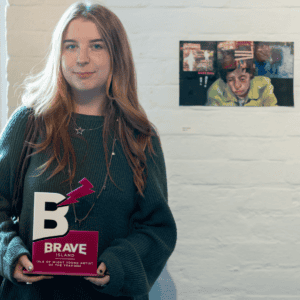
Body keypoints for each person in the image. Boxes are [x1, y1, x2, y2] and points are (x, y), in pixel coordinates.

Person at [0, 1, 177, 299]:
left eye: (96, 46)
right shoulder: (28, 123)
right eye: (70, 46)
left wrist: (118, 264)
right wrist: (10, 254)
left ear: (116, 54)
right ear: (59, 53)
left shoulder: (139, 136)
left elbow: (157, 229)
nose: (82, 59)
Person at [206, 50, 277, 106]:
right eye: (230, 80)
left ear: (251, 74)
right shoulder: (216, 89)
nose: (237, 85)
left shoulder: (263, 85)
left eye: (242, 79)